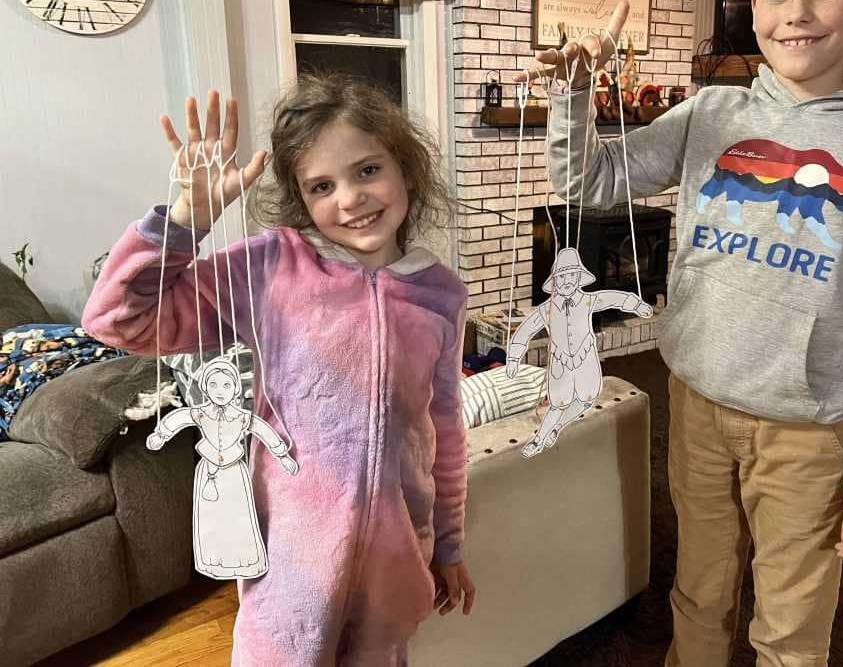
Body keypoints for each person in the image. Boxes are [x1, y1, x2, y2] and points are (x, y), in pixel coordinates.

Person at [523, 0, 843, 664]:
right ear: (753, 5)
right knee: (699, 589)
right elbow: (589, 180)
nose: (797, 14)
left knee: (789, 625)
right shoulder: (713, 111)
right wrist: (575, 92)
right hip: (696, 401)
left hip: (808, 427)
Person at [83, 73, 475, 665]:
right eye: (322, 185)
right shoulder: (273, 267)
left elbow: (443, 432)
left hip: (396, 563)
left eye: (368, 170)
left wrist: (447, 544)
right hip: (293, 570)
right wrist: (184, 223)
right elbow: (118, 319)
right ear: (301, 198)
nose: (350, 198)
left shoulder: (441, 294)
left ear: (405, 169)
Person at [146, 356, 298, 580]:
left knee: (238, 517)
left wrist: (282, 455)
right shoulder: (201, 413)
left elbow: (263, 430)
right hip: (209, 473)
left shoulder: (242, 418)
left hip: (235, 473)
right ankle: (214, 560)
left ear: (235, 388)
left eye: (226, 385)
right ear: (206, 387)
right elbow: (180, 417)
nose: (220, 390)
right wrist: (161, 435)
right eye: (214, 384)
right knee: (212, 519)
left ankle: (244, 561)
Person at [505, 247, 652, 458]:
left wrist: (636, 304)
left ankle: (558, 427)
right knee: (558, 404)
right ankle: (539, 438)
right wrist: (513, 358)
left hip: (586, 358)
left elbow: (611, 297)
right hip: (560, 362)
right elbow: (526, 329)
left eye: (571, 275)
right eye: (562, 276)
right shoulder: (546, 309)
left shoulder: (587, 300)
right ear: (555, 280)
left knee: (587, 398)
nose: (566, 281)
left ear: (578, 278)